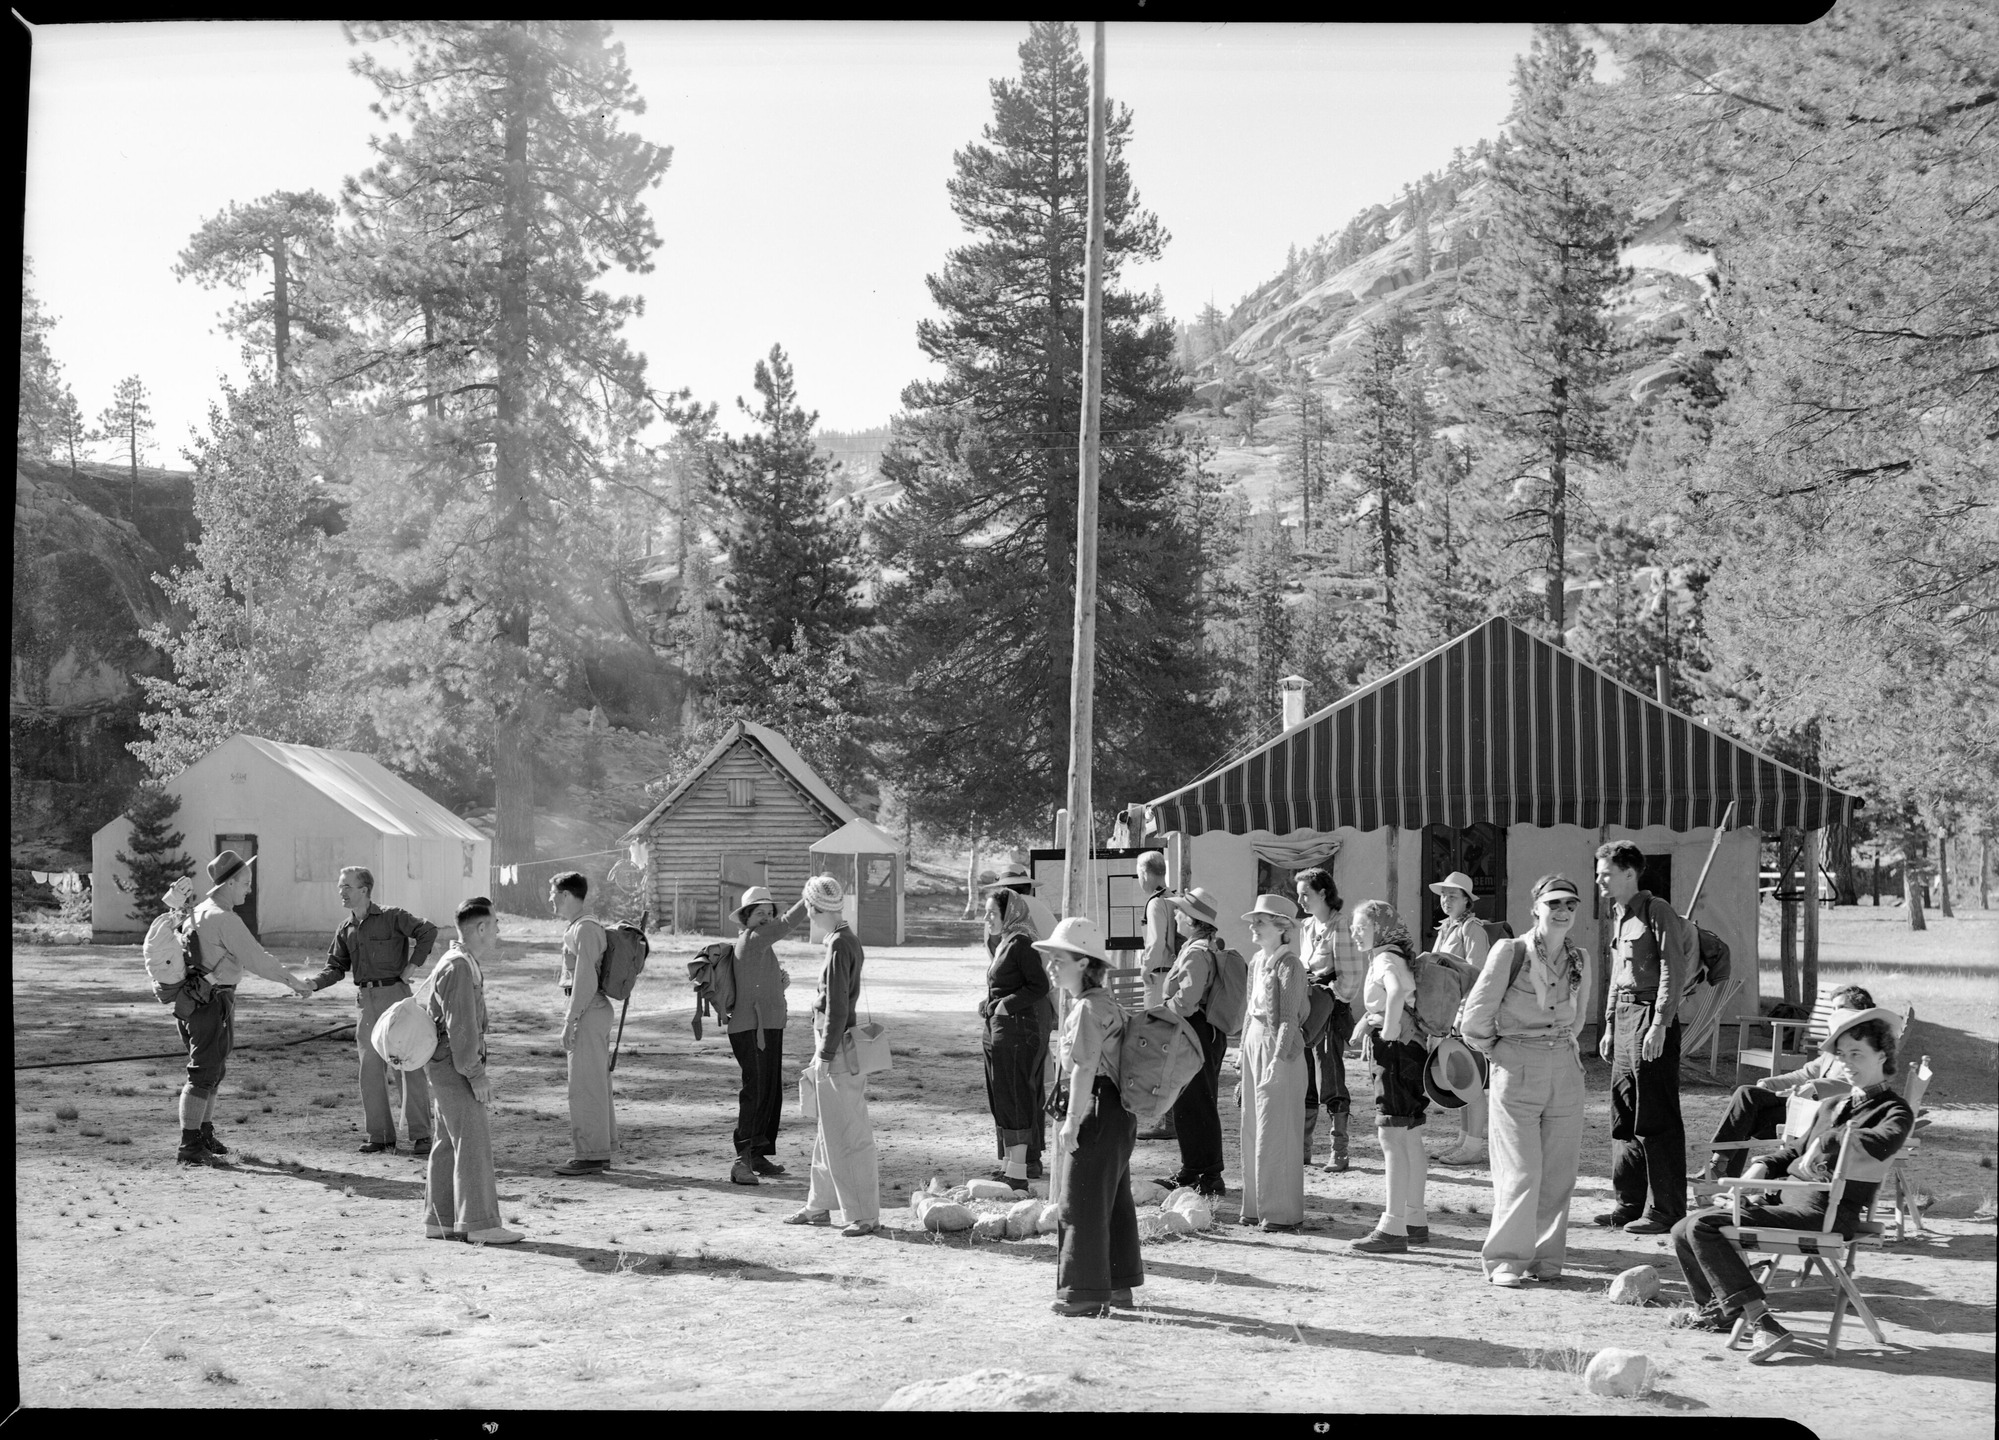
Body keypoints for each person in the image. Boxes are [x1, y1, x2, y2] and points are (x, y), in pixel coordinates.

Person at [1668, 1007, 1913, 1362]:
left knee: (1705, 1227)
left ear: (1883, 1055)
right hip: (1786, 1201)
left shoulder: (1894, 1111)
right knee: (1681, 1229)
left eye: (1856, 1054)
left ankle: (1764, 1323)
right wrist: (1761, 1166)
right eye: (1842, 1055)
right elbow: (1793, 1152)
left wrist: (1828, 1141)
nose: (1846, 1063)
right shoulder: (1833, 1104)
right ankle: (1719, 1312)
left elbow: (1882, 1143)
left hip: (1825, 1212)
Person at [1460, 875, 1591, 1286]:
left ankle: (1546, 1260)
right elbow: (1475, 1019)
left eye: (1570, 904)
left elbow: (1580, 1015)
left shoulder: (1581, 958)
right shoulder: (1511, 951)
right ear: (1536, 907)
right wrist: (1502, 1054)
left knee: (1559, 1173)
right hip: (1517, 1063)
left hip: (1564, 1067)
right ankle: (1506, 1260)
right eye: (1554, 903)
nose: (1563, 911)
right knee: (1520, 1170)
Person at [175, 851, 314, 1167]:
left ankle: (203, 1134)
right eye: (246, 883)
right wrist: (294, 982)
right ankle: (190, 1146)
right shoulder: (224, 919)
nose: (249, 889)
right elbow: (258, 960)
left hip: (196, 1002)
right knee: (203, 1072)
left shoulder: (198, 913)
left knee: (213, 1069)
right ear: (230, 883)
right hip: (212, 1003)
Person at [1037, 916, 1143, 1317]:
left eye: (1058, 958)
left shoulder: (1086, 1009)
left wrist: (1071, 1121)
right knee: (1112, 1201)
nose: (1051, 965)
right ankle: (1117, 1287)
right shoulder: (1106, 1003)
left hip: (1096, 1108)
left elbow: (1083, 1067)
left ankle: (1082, 1293)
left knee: (1078, 1202)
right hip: (1118, 1112)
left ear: (1083, 963)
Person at [302, 866, 439, 1156]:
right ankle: (380, 1136)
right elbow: (335, 968)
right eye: (340, 887)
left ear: (364, 890)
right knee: (370, 1070)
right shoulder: (345, 929)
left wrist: (412, 965)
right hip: (366, 1001)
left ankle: (422, 1136)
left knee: (409, 1065)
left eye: (347, 887)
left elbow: (427, 930)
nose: (341, 892)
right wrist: (313, 984)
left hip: (396, 997)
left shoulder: (392, 917)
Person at [1593, 841, 1694, 1234]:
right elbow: (1619, 976)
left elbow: (1673, 969)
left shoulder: (1657, 911)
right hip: (1624, 1018)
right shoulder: (1619, 916)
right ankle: (1629, 1204)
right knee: (1623, 1114)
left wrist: (1660, 1024)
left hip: (1651, 1018)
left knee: (1656, 1115)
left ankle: (1667, 1209)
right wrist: (1608, 1025)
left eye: (1606, 872)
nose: (1600, 879)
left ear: (1629, 873)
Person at [783, 875, 881, 1237]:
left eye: (807, 908)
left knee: (847, 1133)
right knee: (829, 1129)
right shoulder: (844, 939)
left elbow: (838, 1006)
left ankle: (865, 1215)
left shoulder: (840, 944)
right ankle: (819, 1205)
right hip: (835, 1043)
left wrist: (824, 1052)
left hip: (837, 1046)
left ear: (812, 908)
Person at [1697, 985, 1876, 1181]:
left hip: (1827, 1117)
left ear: (1862, 1011)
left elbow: (1860, 1087)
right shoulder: (1838, 1043)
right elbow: (1806, 1073)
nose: (1834, 1015)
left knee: (1747, 1099)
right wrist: (1771, 1083)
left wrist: (1815, 1087)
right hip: (1806, 1106)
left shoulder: (1868, 1048)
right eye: (1833, 1009)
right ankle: (1721, 1170)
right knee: (1748, 1106)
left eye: (1841, 1008)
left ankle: (1719, 1167)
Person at [421, 896, 521, 1245]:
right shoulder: (460, 966)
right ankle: (480, 1225)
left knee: (448, 1141)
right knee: (472, 1141)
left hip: (445, 1061)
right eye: (494, 924)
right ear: (480, 928)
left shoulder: (459, 961)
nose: (497, 930)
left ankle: (442, 1220)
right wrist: (476, 1076)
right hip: (455, 1064)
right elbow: (461, 1028)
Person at [1349, 898, 1432, 1253]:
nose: (1355, 933)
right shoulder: (1396, 955)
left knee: (1391, 1138)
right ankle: (1415, 1219)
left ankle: (1393, 1227)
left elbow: (1395, 993)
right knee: (1411, 1136)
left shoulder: (1383, 958)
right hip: (1413, 1051)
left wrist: (1387, 1031)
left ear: (1379, 929)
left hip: (1395, 1053)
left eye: (1361, 927)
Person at [718, 886, 807, 1186]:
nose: (767, 918)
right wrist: (810, 898)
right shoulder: (753, 939)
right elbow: (787, 924)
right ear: (746, 918)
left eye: (770, 913)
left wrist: (779, 987)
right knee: (755, 1091)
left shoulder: (762, 946)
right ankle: (740, 1160)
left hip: (768, 1027)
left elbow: (758, 988)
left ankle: (757, 1153)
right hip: (749, 1029)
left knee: (769, 1090)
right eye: (760, 914)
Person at [1238, 893, 1310, 1231]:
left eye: (1260, 921)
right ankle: (1255, 1207)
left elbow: (1288, 1019)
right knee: (1253, 1126)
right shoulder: (1256, 961)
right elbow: (1249, 1015)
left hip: (1281, 1049)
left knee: (1277, 1130)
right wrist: (1241, 1061)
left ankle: (1281, 1213)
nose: (1253, 925)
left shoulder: (1290, 964)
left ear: (1282, 927)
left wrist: (1278, 1060)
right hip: (1254, 1042)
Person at [1154, 886, 1230, 1198]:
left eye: (1181, 911)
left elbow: (1185, 1002)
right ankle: (1194, 1170)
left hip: (1193, 1030)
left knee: (1197, 1103)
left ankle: (1208, 1174)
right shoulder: (1201, 947)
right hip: (1199, 1031)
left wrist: (1160, 1013)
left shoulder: (1197, 952)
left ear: (1192, 920)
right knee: (1191, 1102)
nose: (1177, 915)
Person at [981, 866, 1055, 1178]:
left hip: (1020, 1023)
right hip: (1021, 1019)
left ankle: (1019, 1168)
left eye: (990, 913)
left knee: (1017, 1091)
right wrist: (992, 1003)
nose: (986, 919)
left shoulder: (1019, 939)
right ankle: (1022, 1163)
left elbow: (1038, 983)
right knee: (1018, 1090)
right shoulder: (1013, 933)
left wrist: (1004, 1006)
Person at [1295, 866, 1363, 1172]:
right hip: (1309, 1007)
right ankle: (1304, 1147)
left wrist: (1326, 997)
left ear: (1324, 893)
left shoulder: (1340, 926)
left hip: (1332, 1009)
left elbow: (1350, 979)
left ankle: (1339, 1148)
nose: (1301, 900)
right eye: (1299, 895)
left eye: (1306, 894)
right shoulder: (1307, 927)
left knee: (1331, 1076)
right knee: (1305, 1074)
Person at [1428, 871, 1494, 1168]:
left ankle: (1474, 1146)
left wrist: (1464, 1016)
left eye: (1453, 896)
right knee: (1459, 1079)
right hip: (1448, 1016)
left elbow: (1478, 977)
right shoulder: (1446, 929)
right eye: (1443, 895)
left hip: (1465, 1016)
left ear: (1468, 901)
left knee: (1472, 1081)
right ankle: (1464, 1139)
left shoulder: (1472, 930)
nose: (1446, 900)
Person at [551, 871, 615, 1177]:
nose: (550, 899)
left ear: (565, 895)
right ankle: (598, 1151)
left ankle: (589, 1155)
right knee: (593, 1083)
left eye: (553, 894)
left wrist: (570, 1019)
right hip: (589, 1008)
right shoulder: (580, 926)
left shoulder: (585, 928)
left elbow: (586, 980)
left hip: (587, 1008)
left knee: (584, 1086)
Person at [1134, 850, 1179, 1142]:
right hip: (1172, 975)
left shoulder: (1155, 902)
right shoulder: (1173, 896)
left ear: (1145, 873)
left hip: (1159, 976)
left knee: (1159, 1047)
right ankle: (1171, 1116)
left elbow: (1156, 941)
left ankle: (1167, 1119)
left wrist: (1144, 969)